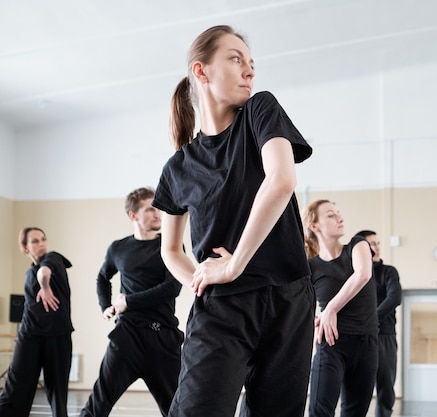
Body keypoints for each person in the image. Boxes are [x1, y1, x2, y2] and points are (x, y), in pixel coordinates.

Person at [151, 25, 315, 417]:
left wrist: (233, 263)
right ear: (201, 71)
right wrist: (202, 278)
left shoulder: (261, 110)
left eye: (252, 63)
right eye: (236, 59)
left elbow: (282, 180)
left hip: (288, 298)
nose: (249, 71)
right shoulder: (178, 168)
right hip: (221, 308)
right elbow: (170, 249)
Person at [79, 187, 184, 417]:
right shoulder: (118, 248)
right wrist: (105, 306)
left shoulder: (170, 245)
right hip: (127, 336)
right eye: (150, 209)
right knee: (98, 404)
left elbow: (172, 287)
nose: (158, 214)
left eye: (158, 209)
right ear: (133, 215)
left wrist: (129, 302)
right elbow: (102, 277)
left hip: (162, 338)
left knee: (177, 409)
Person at [303, 200, 379, 417]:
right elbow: (299, 301)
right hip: (331, 344)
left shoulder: (358, 245)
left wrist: (330, 309)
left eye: (339, 213)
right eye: (330, 215)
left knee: (354, 412)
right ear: (314, 226)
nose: (340, 218)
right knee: (319, 411)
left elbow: (363, 274)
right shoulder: (311, 266)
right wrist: (318, 318)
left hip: (366, 344)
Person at [0, 227, 73, 417]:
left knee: (57, 393)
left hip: (57, 335)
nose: (41, 244)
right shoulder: (29, 272)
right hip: (29, 334)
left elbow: (44, 273)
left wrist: (45, 286)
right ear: (24, 247)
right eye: (35, 241)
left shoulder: (53, 258)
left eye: (43, 239)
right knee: (16, 386)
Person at [355, 230, 402, 417]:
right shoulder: (353, 273)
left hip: (384, 336)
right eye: (372, 244)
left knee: (385, 385)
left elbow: (395, 297)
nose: (377, 247)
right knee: (355, 385)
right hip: (358, 335)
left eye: (378, 243)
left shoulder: (388, 272)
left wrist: (371, 319)